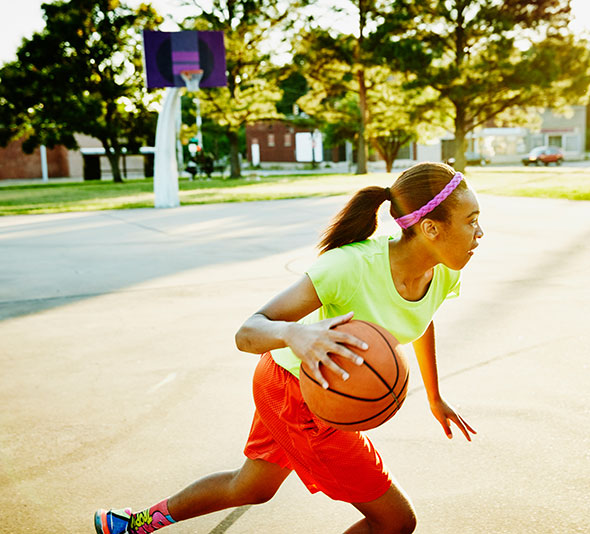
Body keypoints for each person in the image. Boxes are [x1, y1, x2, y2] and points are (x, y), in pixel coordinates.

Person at [94, 161, 483, 534]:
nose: (479, 233)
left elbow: (421, 318)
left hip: (295, 383)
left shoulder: (444, 271)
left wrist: (434, 396)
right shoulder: (351, 266)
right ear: (431, 228)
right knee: (395, 522)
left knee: (250, 488)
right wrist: (296, 335)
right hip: (299, 394)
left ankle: (129, 524)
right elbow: (248, 331)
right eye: (471, 221)